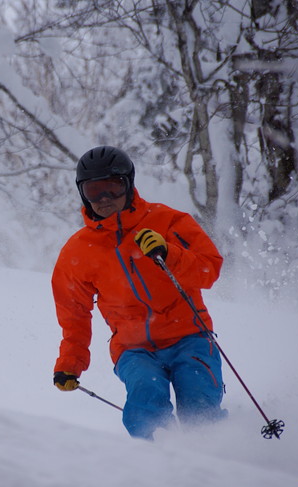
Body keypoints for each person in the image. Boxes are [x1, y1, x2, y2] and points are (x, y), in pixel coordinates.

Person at [51, 146, 226, 440]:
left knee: (200, 404)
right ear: (83, 194)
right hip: (134, 349)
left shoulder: (168, 222)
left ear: (129, 185)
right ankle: (151, 461)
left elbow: (210, 270)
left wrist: (169, 253)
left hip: (190, 337)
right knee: (146, 399)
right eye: (94, 191)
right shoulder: (77, 251)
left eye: (113, 187)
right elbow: (74, 315)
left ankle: (218, 462)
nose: (104, 199)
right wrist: (70, 363)